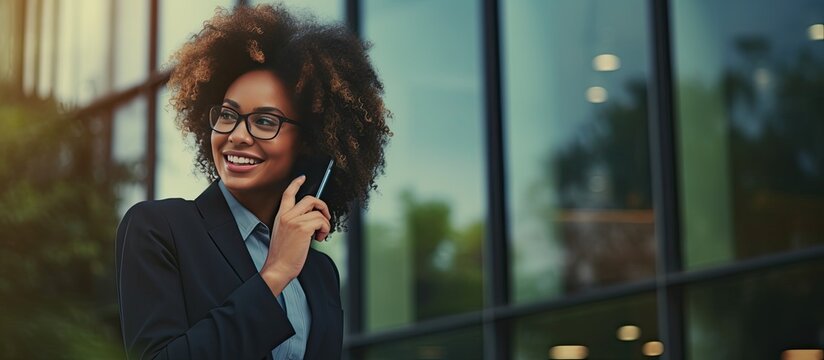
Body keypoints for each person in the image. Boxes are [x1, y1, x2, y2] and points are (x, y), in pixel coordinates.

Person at [115, 4, 391, 359]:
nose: (237, 135)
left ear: (309, 141)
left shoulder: (320, 272)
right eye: (228, 115)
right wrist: (274, 272)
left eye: (264, 121)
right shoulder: (159, 229)